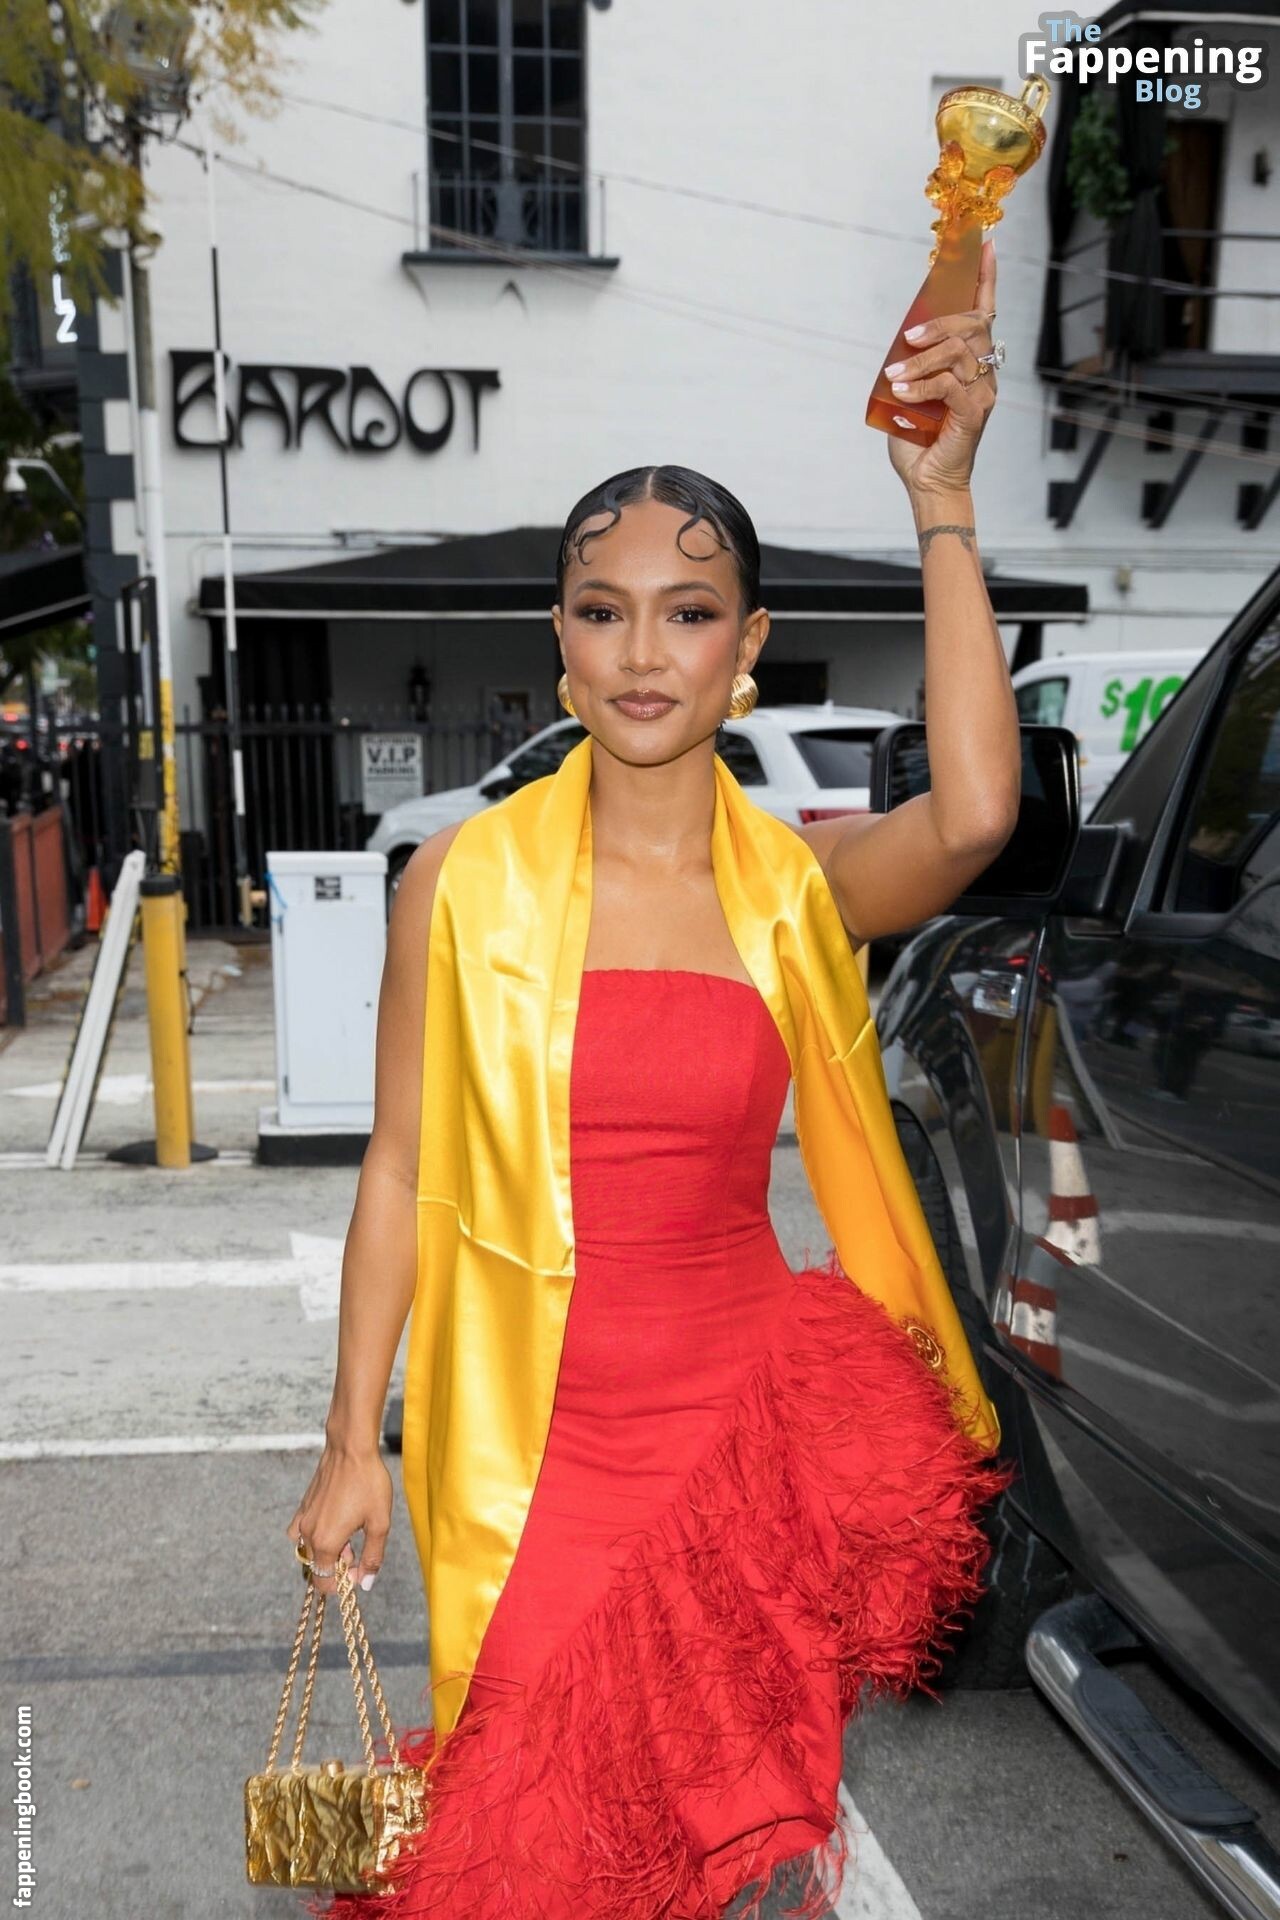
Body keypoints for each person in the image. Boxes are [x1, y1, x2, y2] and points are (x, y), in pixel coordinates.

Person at [289, 239, 1019, 1919]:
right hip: (525, 1450)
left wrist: (943, 504)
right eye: (603, 610)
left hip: (739, 1458)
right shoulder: (455, 884)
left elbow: (980, 813)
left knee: (728, 1865)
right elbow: (399, 1166)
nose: (642, 650)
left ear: (746, 642)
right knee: (523, 1854)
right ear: (559, 638)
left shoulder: (795, 887)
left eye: (687, 614)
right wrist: (350, 1441)